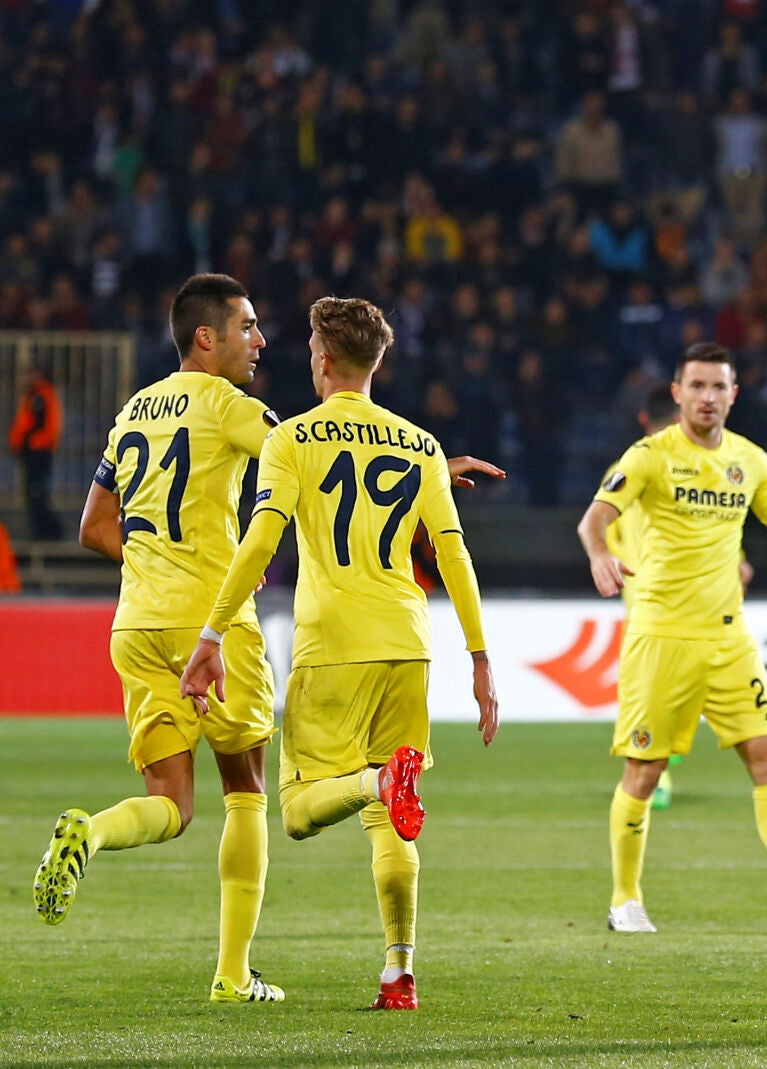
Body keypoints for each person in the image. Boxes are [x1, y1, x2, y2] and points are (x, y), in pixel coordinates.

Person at [180, 296, 500, 1012]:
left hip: (332, 643)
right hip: (407, 643)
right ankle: (398, 974)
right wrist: (480, 658)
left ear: (323, 360)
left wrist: (211, 634)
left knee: (298, 810)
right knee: (392, 823)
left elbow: (261, 540)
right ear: (377, 361)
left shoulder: (292, 438)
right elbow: (453, 554)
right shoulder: (420, 445)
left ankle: (377, 781)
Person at [34, 275, 284, 1003]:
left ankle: (91, 832)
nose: (259, 341)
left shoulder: (132, 413)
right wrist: (426, 467)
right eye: (247, 327)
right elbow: (306, 460)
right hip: (211, 626)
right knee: (246, 790)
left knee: (171, 802)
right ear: (207, 337)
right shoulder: (229, 406)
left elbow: (93, 527)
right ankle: (233, 975)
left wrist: (155, 560)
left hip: (137, 622)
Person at [576, 342, 767, 936]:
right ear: (677, 394)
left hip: (729, 639)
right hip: (662, 636)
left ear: (733, 395)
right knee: (645, 771)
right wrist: (598, 553)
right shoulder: (649, 456)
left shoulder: (751, 460)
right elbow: (595, 517)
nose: (707, 397)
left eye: (718, 386)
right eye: (696, 386)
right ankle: (625, 900)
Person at [602, 385, 758, 810]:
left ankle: (656, 763)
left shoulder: (624, 468)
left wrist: (614, 564)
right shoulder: (677, 466)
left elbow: (608, 534)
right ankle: (655, 770)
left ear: (643, 419)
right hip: (673, 598)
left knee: (662, 690)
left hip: (651, 598)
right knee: (662, 690)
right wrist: (737, 563)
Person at [9, 358, 63, 540]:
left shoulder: (42, 395)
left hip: (39, 451)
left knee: (36, 493)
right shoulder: (34, 394)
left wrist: (31, 442)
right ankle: (43, 532)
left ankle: (48, 532)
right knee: (34, 494)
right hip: (33, 450)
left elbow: (45, 426)